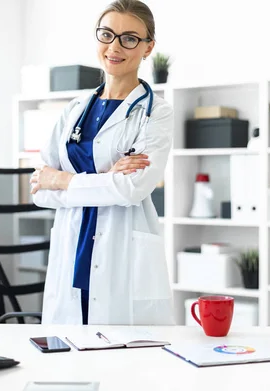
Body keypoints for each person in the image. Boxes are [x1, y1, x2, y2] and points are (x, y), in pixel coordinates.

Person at [30, 0, 174, 326]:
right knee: (67, 357)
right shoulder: (74, 109)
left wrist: (64, 180)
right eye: (107, 34)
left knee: (124, 363)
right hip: (73, 247)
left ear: (148, 47)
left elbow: (131, 189)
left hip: (122, 254)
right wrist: (105, 179)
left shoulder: (156, 112)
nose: (114, 46)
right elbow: (40, 188)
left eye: (129, 38)